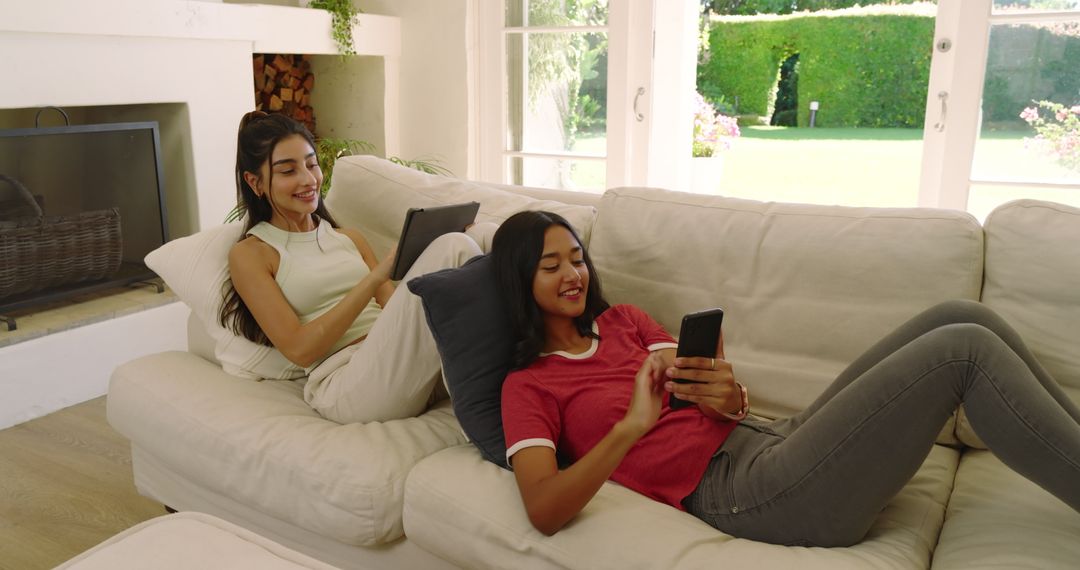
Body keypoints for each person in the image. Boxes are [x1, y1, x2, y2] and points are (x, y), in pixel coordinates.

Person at [491, 209, 1080, 547]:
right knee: (963, 351)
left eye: (577, 257)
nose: (573, 273)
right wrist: (629, 428)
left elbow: (711, 390)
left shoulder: (623, 322)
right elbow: (543, 509)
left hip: (771, 439)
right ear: (521, 281)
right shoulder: (529, 386)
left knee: (963, 315)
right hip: (748, 496)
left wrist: (728, 392)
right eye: (552, 265)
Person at [220, 111, 494, 424]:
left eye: (311, 164)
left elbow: (395, 311)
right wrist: (377, 276)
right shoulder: (252, 254)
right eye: (288, 171)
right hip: (348, 383)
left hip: (406, 366)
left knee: (481, 234)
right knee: (454, 246)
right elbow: (299, 350)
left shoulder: (347, 237)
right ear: (255, 182)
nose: (309, 180)